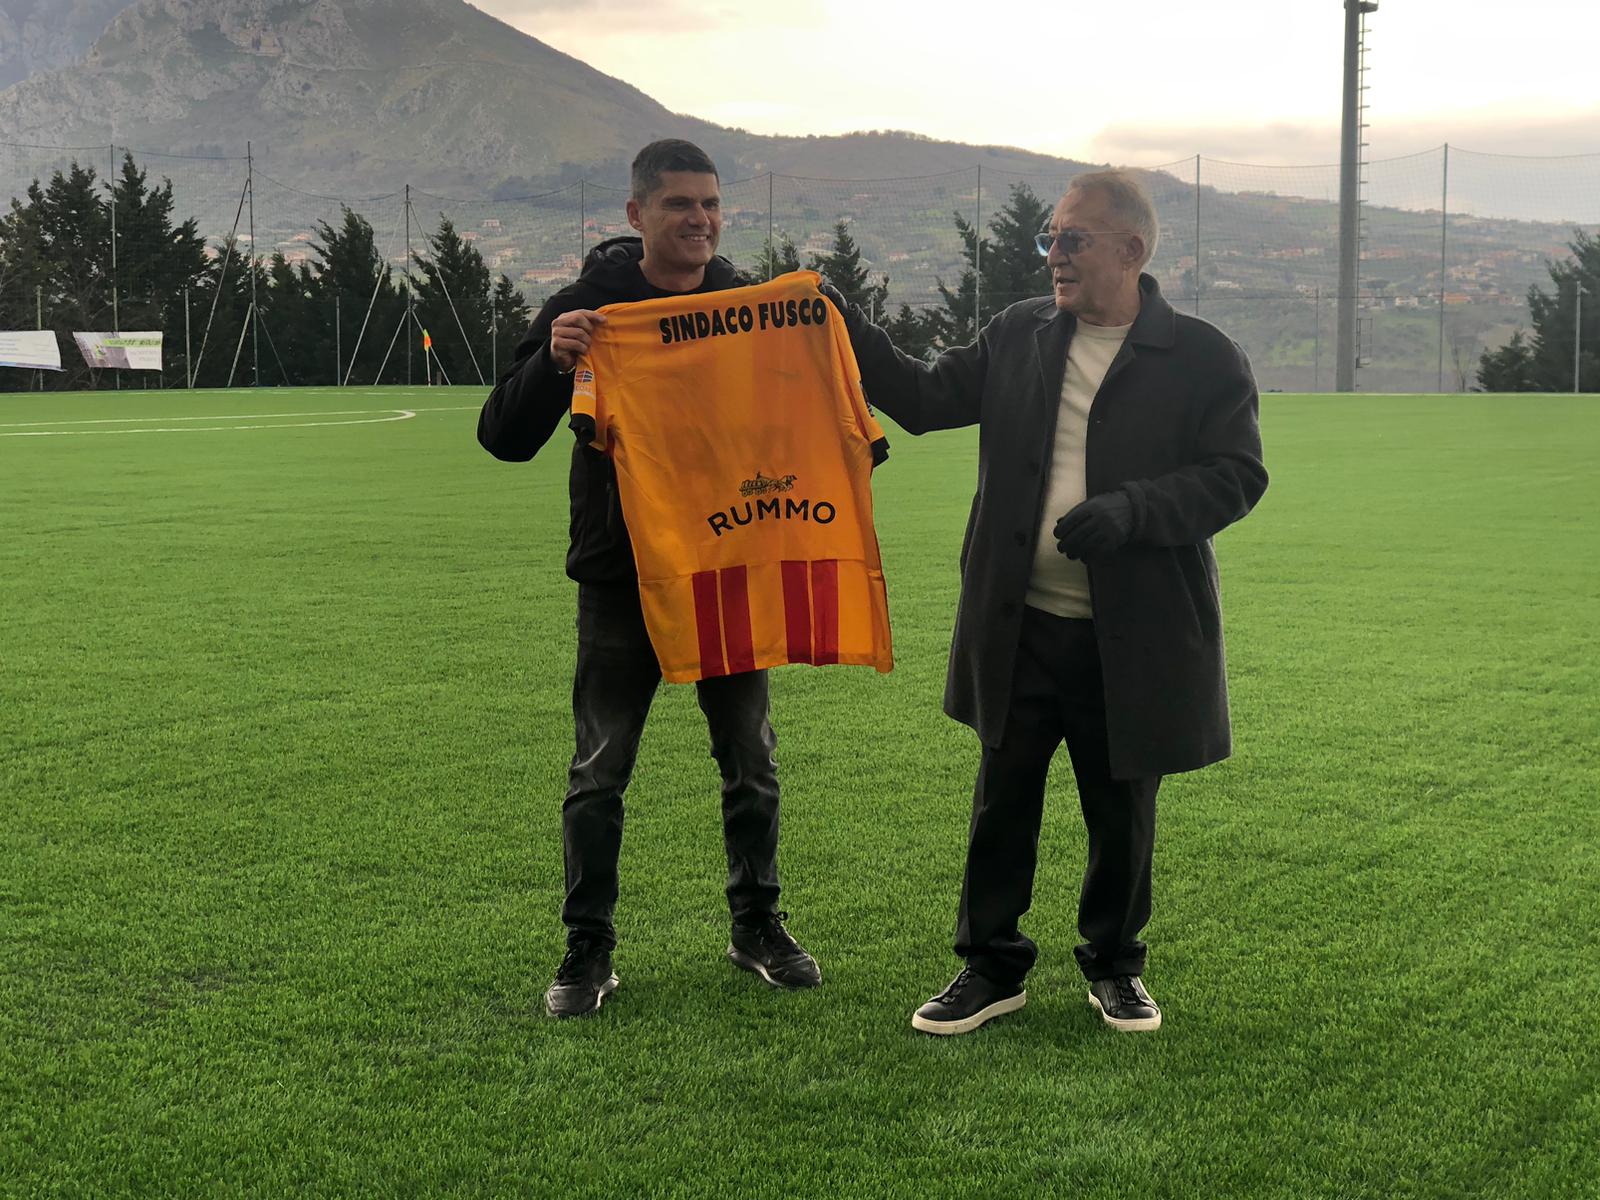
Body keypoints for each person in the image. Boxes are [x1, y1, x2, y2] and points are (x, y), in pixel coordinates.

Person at [841, 170, 1268, 1035]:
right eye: (1051, 238)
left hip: (1133, 636)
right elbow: (922, 399)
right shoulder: (1019, 333)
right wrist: (845, 323)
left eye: (1073, 239)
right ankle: (990, 967)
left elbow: (1237, 476)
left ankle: (1116, 966)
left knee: (1122, 812)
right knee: (1002, 801)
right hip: (1019, 625)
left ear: (1131, 250)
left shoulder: (1202, 356)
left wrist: (1133, 511)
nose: (1054, 256)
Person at [477, 139, 821, 1018]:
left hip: (723, 565)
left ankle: (757, 926)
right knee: (599, 770)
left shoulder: (745, 308)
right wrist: (552, 364)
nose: (699, 220)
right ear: (636, 215)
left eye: (711, 204)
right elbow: (502, 436)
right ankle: (587, 947)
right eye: (679, 205)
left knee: (751, 760)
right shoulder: (588, 309)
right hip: (620, 575)